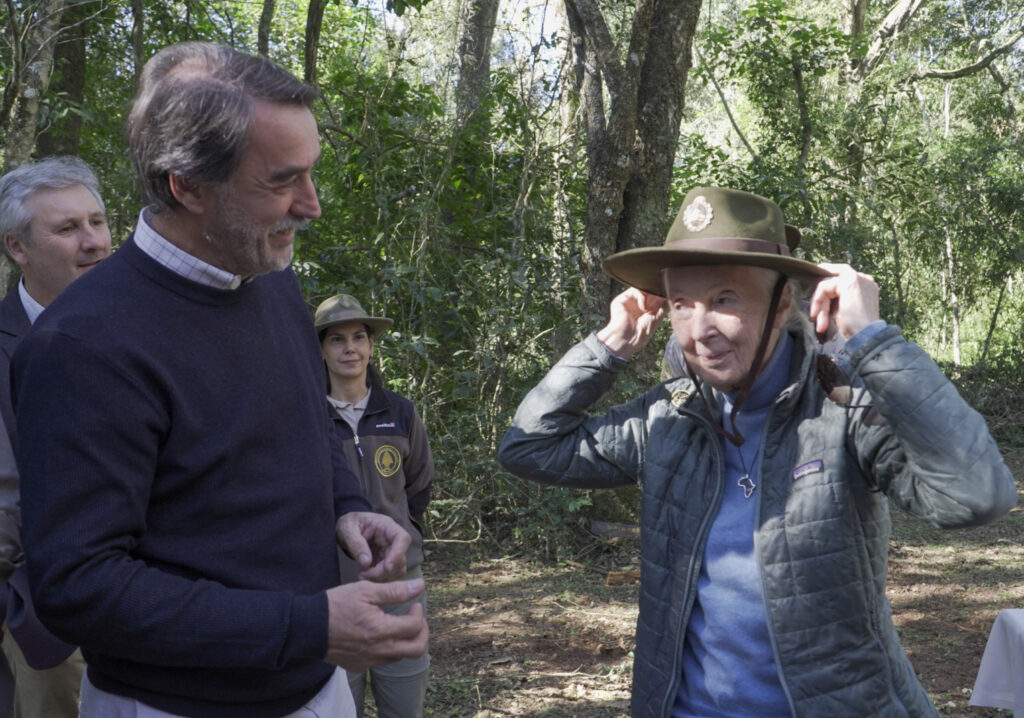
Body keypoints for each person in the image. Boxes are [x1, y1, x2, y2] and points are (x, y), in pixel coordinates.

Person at [11, 42, 427, 717]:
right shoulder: (83, 344)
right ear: (189, 185)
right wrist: (312, 625)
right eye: (282, 180)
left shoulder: (269, 278)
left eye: (311, 174)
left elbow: (307, 419)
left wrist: (348, 505)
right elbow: (78, 586)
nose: (311, 205)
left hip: (313, 688)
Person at [499, 186, 1017, 717]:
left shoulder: (840, 410)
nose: (700, 331)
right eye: (682, 304)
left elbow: (977, 496)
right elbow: (529, 447)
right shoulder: (667, 418)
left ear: (780, 306)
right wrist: (608, 346)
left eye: (725, 299)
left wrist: (873, 340)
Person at [0, 155, 111, 717]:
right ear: (18, 248)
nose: (92, 241)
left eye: (96, 221)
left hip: (162, 613)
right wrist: (19, 611)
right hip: (45, 625)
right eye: (67, 229)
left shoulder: (145, 329)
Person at [314, 294, 434, 718]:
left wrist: (406, 531)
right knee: (337, 701)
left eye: (359, 337)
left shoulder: (398, 412)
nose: (350, 348)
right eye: (337, 339)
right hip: (332, 583)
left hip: (399, 579)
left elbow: (419, 485)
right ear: (321, 350)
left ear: (370, 345)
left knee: (403, 697)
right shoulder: (307, 416)